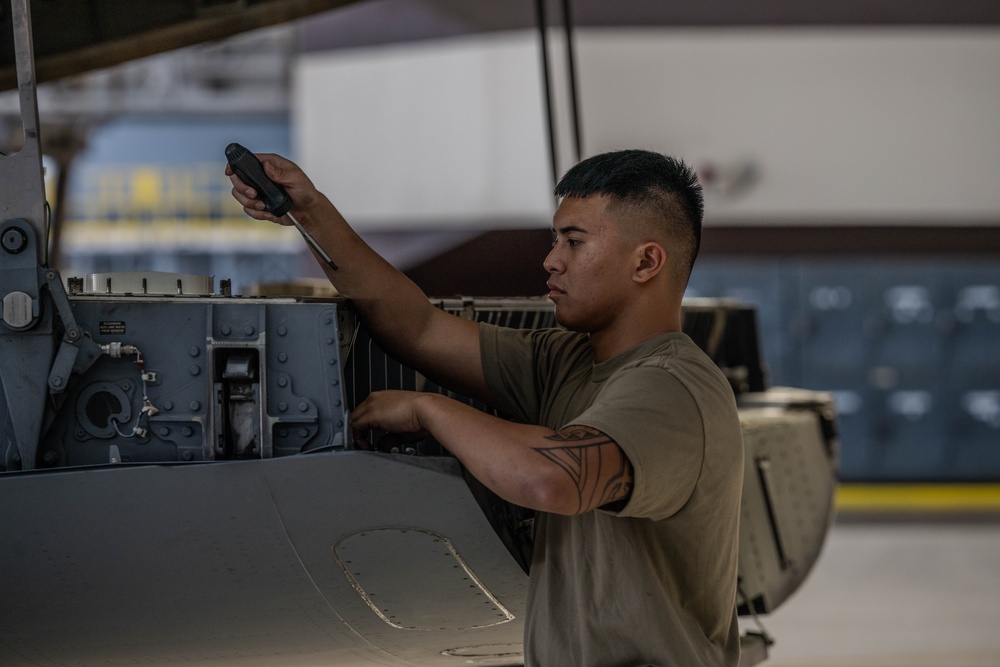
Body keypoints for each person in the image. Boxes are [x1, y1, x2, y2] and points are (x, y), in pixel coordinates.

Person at [228, 149, 744, 666]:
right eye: (555, 239)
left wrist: (428, 410)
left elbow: (552, 480)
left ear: (647, 262)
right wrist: (309, 210)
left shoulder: (672, 385)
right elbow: (420, 328)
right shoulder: (568, 361)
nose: (552, 260)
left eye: (574, 240)